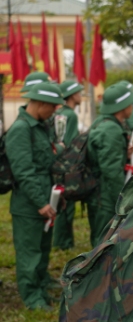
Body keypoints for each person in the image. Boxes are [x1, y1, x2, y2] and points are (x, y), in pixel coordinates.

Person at [6, 82, 65, 310]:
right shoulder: (22, 129)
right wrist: (40, 203)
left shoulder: (40, 127)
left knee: (43, 247)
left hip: (45, 197)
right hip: (29, 203)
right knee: (30, 251)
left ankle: (41, 289)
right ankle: (32, 297)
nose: (55, 111)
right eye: (53, 106)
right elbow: (24, 171)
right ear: (40, 103)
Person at [87, 83, 133, 246]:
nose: (132, 106)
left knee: (100, 235)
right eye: (130, 103)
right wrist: (122, 201)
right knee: (103, 239)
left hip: (98, 191)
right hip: (106, 196)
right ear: (121, 106)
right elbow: (111, 172)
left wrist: (125, 154)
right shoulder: (111, 130)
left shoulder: (104, 123)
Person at [52, 80, 84, 250]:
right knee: (67, 204)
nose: (81, 95)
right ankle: (63, 242)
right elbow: (71, 142)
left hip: (57, 162)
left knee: (59, 204)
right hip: (68, 165)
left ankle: (60, 241)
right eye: (79, 92)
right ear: (72, 95)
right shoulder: (70, 115)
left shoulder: (59, 113)